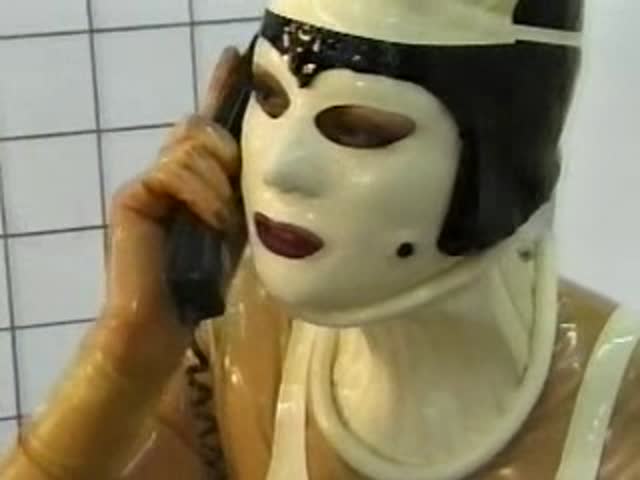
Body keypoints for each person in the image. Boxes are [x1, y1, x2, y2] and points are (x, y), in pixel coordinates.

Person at [1, 0, 639, 479]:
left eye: (359, 129)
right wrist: (127, 353)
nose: (281, 167)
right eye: (268, 97)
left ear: (502, 158)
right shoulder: (245, 350)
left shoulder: (624, 419)